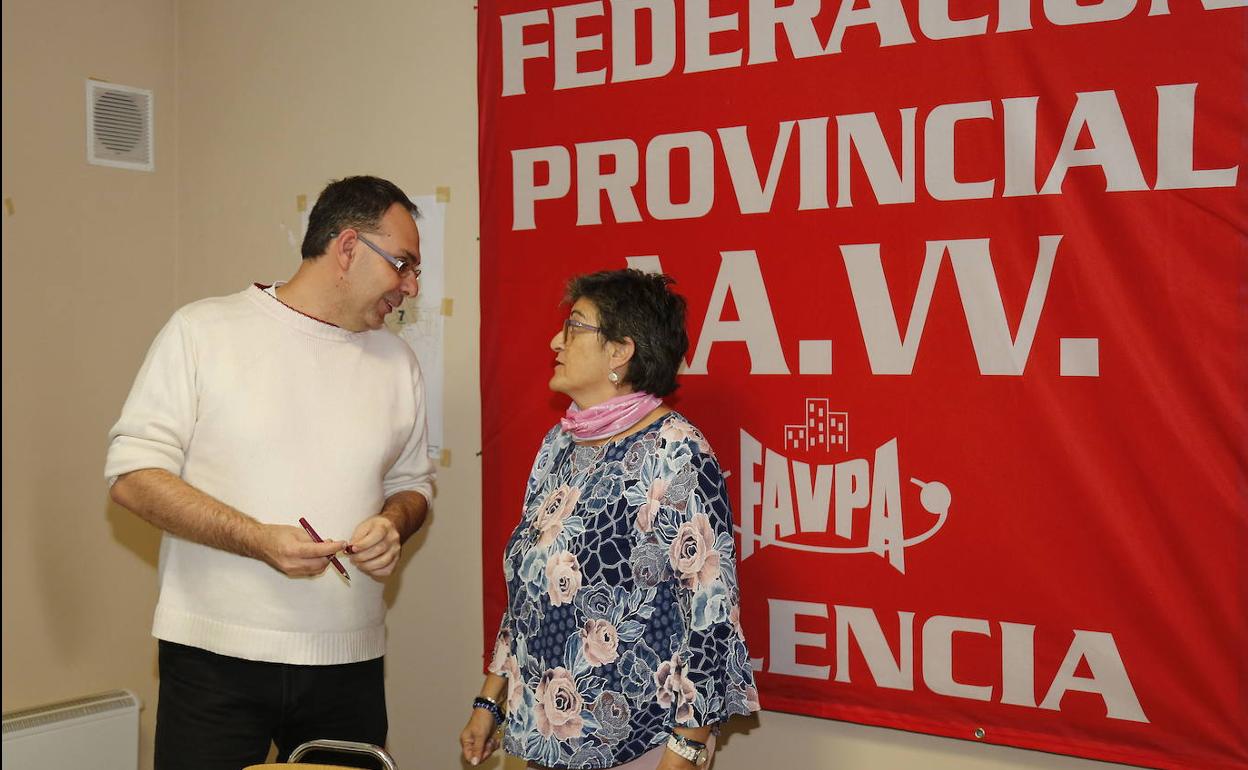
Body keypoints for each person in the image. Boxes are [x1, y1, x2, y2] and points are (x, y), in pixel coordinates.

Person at [105, 175, 435, 769]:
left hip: (349, 664)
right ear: (349, 247)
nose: (411, 287)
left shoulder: (397, 360)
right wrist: (257, 540)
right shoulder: (203, 331)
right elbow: (132, 475)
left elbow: (413, 485)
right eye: (404, 264)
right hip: (214, 659)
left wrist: (395, 523)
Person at [461, 269, 759, 770]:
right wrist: (490, 699)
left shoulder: (677, 454)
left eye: (575, 327)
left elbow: (712, 622)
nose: (557, 340)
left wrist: (684, 752)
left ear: (620, 351)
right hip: (540, 737)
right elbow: (533, 589)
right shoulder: (559, 446)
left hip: (634, 745)